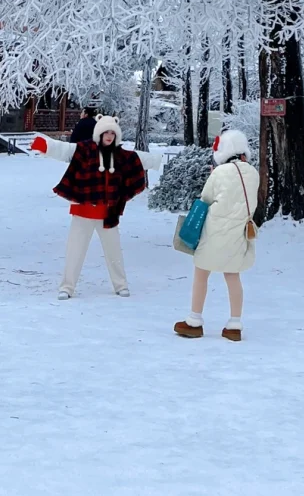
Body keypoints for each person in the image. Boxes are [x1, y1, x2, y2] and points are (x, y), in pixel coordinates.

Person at [31, 115, 161, 298]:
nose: (109, 136)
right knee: (75, 252)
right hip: (83, 210)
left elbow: (140, 158)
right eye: (106, 132)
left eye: (112, 133)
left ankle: (120, 285)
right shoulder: (84, 149)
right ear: (99, 133)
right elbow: (65, 150)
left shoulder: (122, 155)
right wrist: (46, 146)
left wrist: (157, 160)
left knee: (114, 252)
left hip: (108, 213)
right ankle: (67, 287)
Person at [174, 128, 259, 342]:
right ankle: (234, 324)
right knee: (233, 276)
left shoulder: (220, 173)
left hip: (214, 232)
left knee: (201, 273)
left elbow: (206, 198)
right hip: (238, 233)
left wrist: (214, 175)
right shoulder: (253, 173)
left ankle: (194, 320)